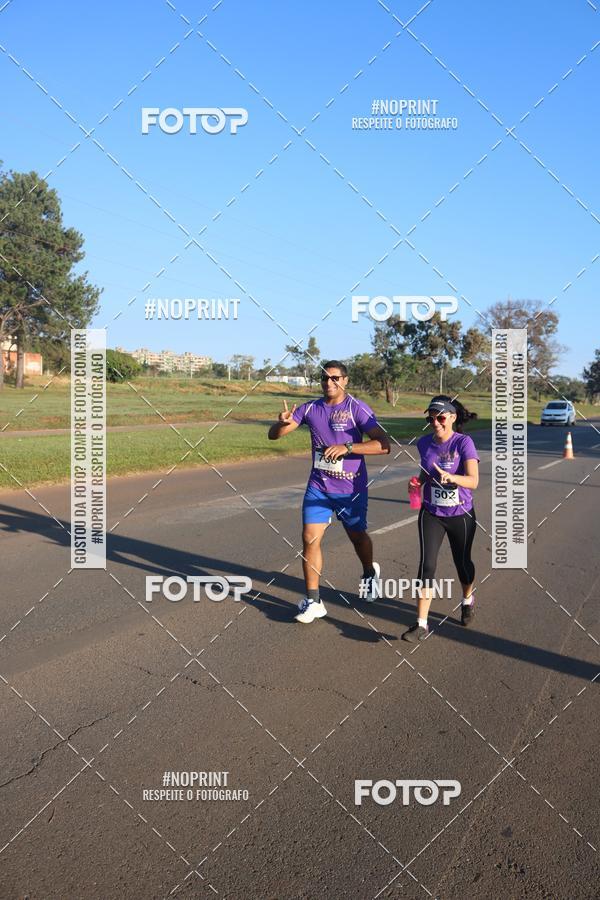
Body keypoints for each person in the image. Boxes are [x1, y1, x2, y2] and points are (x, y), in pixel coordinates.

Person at [268, 361, 391, 623]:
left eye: (334, 378)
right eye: (324, 378)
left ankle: (370, 573)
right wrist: (280, 424)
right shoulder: (310, 408)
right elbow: (274, 436)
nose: (329, 382)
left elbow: (383, 445)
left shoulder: (356, 408)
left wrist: (349, 447)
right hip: (319, 487)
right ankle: (314, 602)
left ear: (345, 380)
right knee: (309, 538)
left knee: (357, 537)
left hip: (350, 489)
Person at [401, 396, 480, 642]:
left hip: (461, 514)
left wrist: (453, 478)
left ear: (452, 417)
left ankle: (467, 599)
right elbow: (426, 472)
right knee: (427, 565)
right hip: (432, 513)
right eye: (431, 418)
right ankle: (421, 624)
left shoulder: (464, 443)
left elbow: (473, 481)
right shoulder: (424, 443)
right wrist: (418, 482)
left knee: (462, 563)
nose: (435, 422)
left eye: (441, 417)